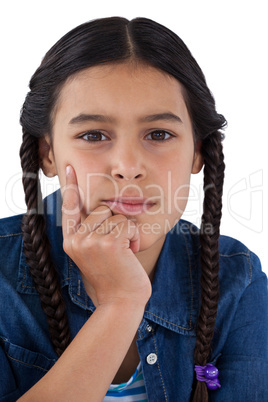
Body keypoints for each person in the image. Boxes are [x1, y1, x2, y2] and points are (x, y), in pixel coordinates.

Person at [0, 16, 267, 402]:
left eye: (159, 134)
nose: (127, 165)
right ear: (48, 153)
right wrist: (120, 305)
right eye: (93, 135)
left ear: (197, 151)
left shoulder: (238, 282)